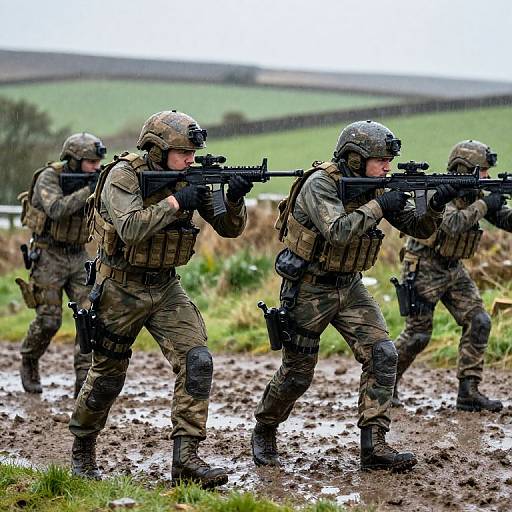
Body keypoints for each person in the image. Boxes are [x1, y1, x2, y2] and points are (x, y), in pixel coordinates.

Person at [251, 120, 457, 472]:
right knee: (298, 374)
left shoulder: (376, 185)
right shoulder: (321, 184)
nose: (388, 167)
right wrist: (381, 205)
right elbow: (338, 232)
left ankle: (374, 445)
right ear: (356, 159)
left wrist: (436, 203)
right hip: (310, 288)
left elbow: (419, 228)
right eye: (381, 160)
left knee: (382, 353)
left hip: (350, 286)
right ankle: (265, 427)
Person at [68, 110, 252, 488]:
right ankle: (83, 446)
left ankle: (186, 459)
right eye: (184, 153)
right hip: (120, 287)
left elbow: (230, 229)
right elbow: (132, 228)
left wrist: (232, 198)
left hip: (166, 287)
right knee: (106, 376)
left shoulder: (189, 176)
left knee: (197, 361)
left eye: (193, 154)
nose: (191, 160)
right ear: (157, 149)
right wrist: (176, 202)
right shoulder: (123, 176)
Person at [394, 140, 510, 412]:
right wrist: (485, 204)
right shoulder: (439, 189)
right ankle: (384, 387)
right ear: (464, 168)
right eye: (483, 170)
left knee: (479, 320)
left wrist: (493, 201)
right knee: (418, 335)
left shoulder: (476, 194)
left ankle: (468, 392)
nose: (488, 176)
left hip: (452, 269)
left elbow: (505, 219)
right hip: (423, 265)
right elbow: (452, 224)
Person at [17, 132, 106, 397]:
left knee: (88, 317)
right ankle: (29, 359)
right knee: (49, 320)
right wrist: (88, 191)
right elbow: (55, 209)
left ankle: (83, 382)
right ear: (74, 160)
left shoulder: (96, 180)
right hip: (48, 255)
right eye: (91, 162)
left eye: (98, 161)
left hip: (78, 256)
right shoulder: (50, 177)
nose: (96, 167)